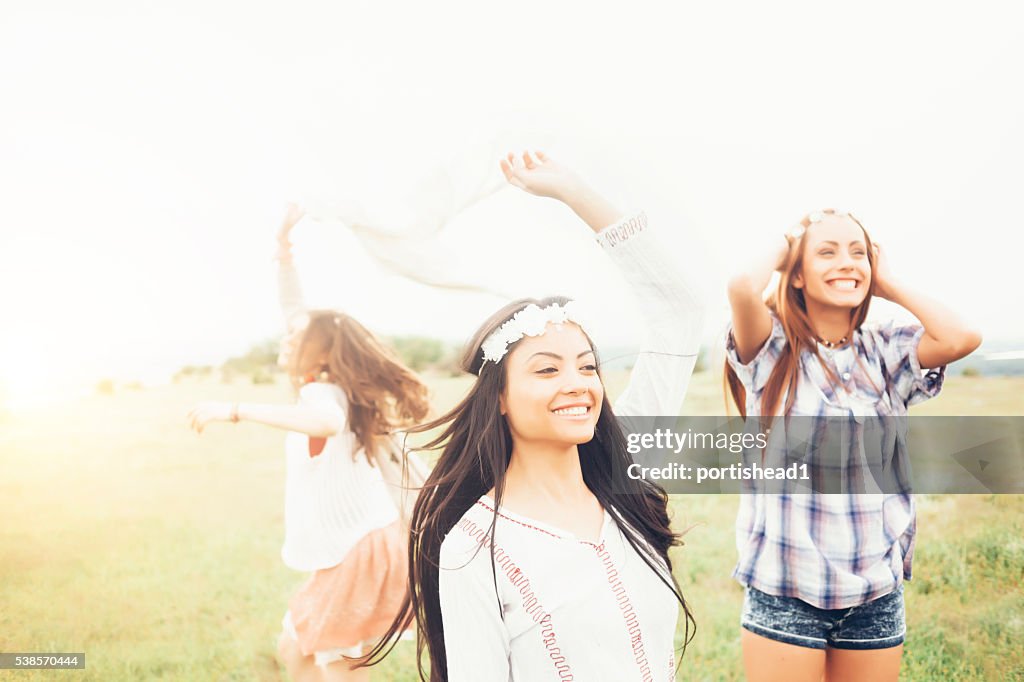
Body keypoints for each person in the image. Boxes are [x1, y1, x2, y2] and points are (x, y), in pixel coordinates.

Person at [366, 151, 704, 681]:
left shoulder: (623, 468)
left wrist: (575, 192)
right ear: (499, 396)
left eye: (588, 367)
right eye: (546, 370)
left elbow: (677, 313)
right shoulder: (472, 546)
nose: (577, 384)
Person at [724, 209, 982, 682]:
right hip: (787, 589)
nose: (846, 262)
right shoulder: (772, 348)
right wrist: (789, 246)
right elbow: (742, 285)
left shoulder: (883, 348)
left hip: (875, 594)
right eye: (827, 252)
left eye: (857, 252)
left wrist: (886, 281)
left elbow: (963, 336)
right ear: (796, 273)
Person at [188, 205, 430, 681]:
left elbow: (326, 421)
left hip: (360, 550)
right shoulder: (329, 381)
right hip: (369, 544)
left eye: (295, 337)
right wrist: (283, 251)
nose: (285, 339)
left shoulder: (323, 392)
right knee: (302, 651)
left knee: (330, 659)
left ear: (320, 353)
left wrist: (236, 410)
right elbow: (294, 310)